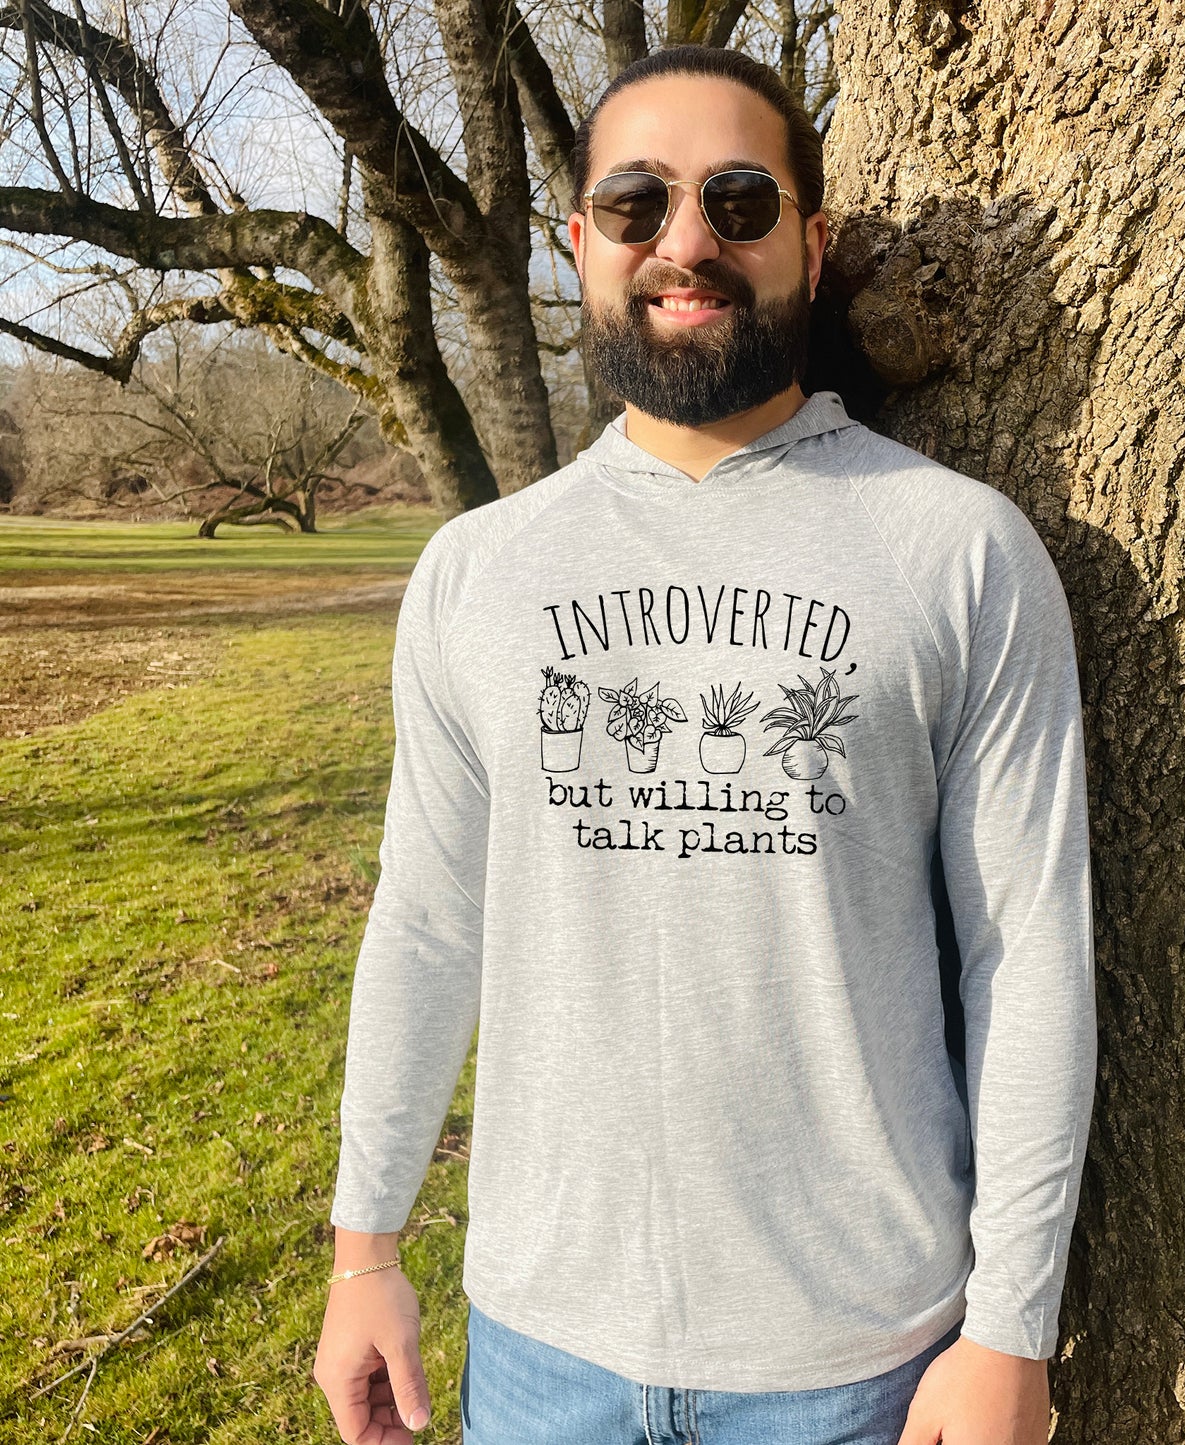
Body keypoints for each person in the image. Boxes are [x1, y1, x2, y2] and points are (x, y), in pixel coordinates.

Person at [313, 43, 1096, 1445]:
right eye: (635, 204)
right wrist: (364, 1249)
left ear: (811, 237)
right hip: (538, 1346)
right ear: (580, 244)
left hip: (862, 1356)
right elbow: (427, 926)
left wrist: (1008, 1329)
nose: (686, 241)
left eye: (738, 200)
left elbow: (1027, 948)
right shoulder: (476, 571)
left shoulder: (959, 552)